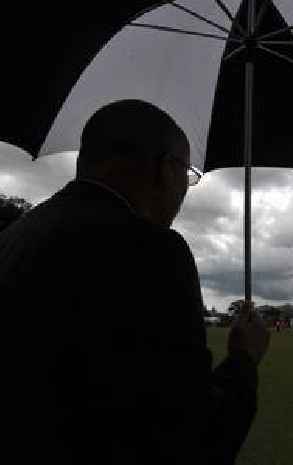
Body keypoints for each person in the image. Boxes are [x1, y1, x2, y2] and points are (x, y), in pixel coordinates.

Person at [0, 99, 269, 464]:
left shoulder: (16, 235)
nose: (185, 188)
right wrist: (243, 360)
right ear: (165, 168)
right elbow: (193, 436)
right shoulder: (153, 251)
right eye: (187, 172)